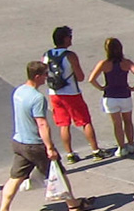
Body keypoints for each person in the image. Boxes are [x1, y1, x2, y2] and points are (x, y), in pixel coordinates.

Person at [0, 60, 91, 211]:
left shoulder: (19, 91)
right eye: (45, 74)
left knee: (15, 178)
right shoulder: (37, 98)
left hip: (19, 142)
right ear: (37, 76)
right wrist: (49, 148)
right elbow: (42, 124)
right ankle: (73, 204)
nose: (47, 77)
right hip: (34, 144)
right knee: (58, 173)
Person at [43, 26, 102, 162]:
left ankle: (70, 154)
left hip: (55, 93)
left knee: (64, 124)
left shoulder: (46, 55)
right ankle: (95, 151)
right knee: (84, 121)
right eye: (69, 37)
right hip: (71, 92)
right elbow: (80, 77)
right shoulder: (70, 55)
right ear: (65, 39)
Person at [86, 37, 134, 158]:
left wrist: (101, 88)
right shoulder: (126, 62)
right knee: (128, 121)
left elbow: (91, 79)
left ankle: (121, 147)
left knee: (117, 124)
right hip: (125, 95)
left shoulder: (104, 64)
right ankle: (131, 144)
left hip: (110, 97)